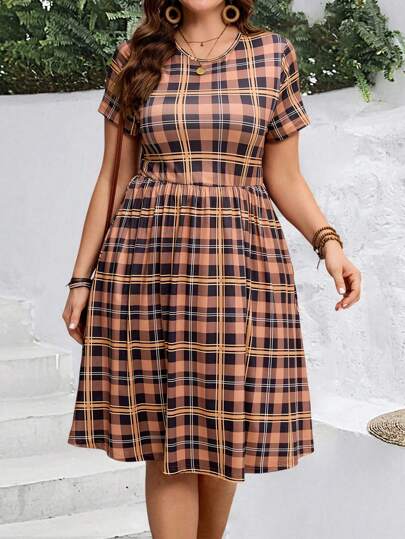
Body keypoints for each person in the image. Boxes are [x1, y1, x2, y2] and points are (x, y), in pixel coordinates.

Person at [62, 0, 362, 537]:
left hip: (240, 264)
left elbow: (284, 176)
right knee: (166, 436)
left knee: (224, 429)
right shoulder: (136, 56)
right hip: (148, 264)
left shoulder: (272, 54)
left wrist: (328, 243)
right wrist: (81, 279)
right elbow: (112, 177)